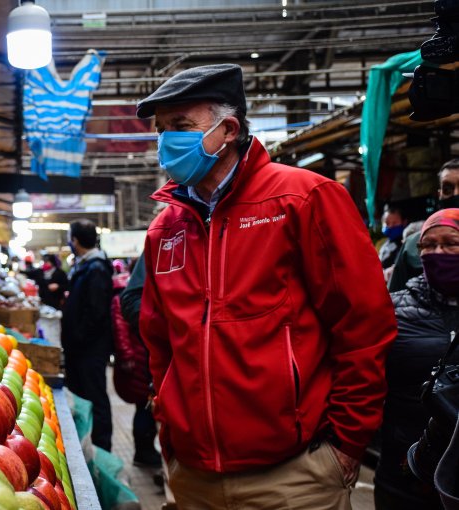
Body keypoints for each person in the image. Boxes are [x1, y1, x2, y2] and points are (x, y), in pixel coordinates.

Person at [135, 63, 397, 509]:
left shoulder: (303, 199)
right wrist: (170, 434)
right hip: (194, 476)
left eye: (181, 126)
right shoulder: (166, 228)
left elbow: (364, 325)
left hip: (294, 476)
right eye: (161, 130)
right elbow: (161, 344)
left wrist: (346, 444)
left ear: (229, 129)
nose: (167, 141)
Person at [375, 208, 459, 509]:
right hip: (404, 470)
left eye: (451, 243)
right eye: (429, 245)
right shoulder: (391, 310)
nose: (438, 253)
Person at [61, 219, 114, 451]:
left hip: (91, 349)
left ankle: (102, 448)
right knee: (84, 397)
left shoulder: (96, 268)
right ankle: (87, 445)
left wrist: (78, 339)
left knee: (96, 397)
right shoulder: (84, 265)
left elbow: (96, 312)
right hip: (81, 348)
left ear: (75, 240)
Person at [117, 254, 164, 467]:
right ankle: (143, 452)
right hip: (140, 358)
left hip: (144, 356)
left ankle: (146, 451)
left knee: (146, 407)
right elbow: (121, 327)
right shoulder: (129, 297)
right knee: (144, 406)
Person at [390, 159, 459, 292]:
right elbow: (394, 299)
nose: (456, 194)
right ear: (440, 194)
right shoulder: (413, 245)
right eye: (448, 189)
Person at [379, 204, 409, 269]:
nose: (390, 226)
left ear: (404, 222)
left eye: (394, 223)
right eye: (387, 223)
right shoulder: (383, 245)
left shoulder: (407, 244)